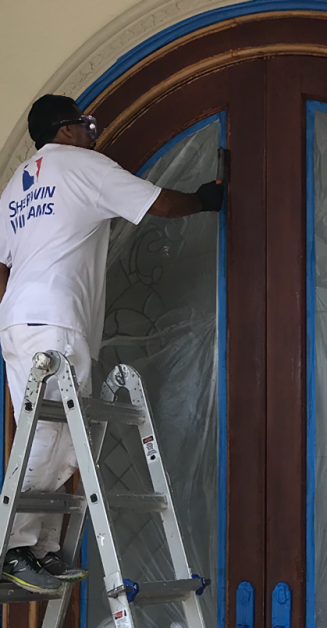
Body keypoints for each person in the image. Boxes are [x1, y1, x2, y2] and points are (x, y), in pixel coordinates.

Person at [0, 94, 224, 594]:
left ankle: (41, 550)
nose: (92, 133)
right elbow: (159, 204)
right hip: (58, 319)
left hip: (18, 321)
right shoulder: (82, 165)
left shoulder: (17, 184)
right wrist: (206, 200)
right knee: (48, 438)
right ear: (65, 129)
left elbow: (1, 259)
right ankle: (13, 548)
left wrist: (15, 310)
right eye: (87, 125)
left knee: (50, 435)